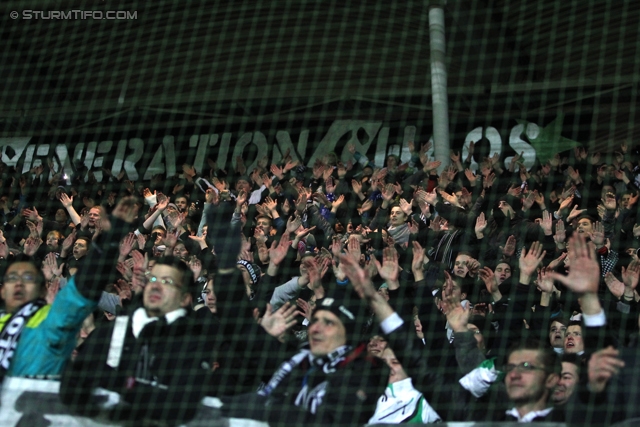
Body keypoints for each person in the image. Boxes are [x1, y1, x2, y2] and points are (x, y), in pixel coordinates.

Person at [60, 255, 216, 425]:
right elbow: (72, 385)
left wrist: (123, 385)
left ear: (185, 298)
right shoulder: (114, 330)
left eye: (167, 282)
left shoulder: (194, 342)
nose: (156, 286)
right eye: (153, 279)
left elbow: (181, 406)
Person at [0, 198, 136, 379]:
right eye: (12, 279)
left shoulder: (52, 315)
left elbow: (85, 285)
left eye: (26, 278)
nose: (18, 284)